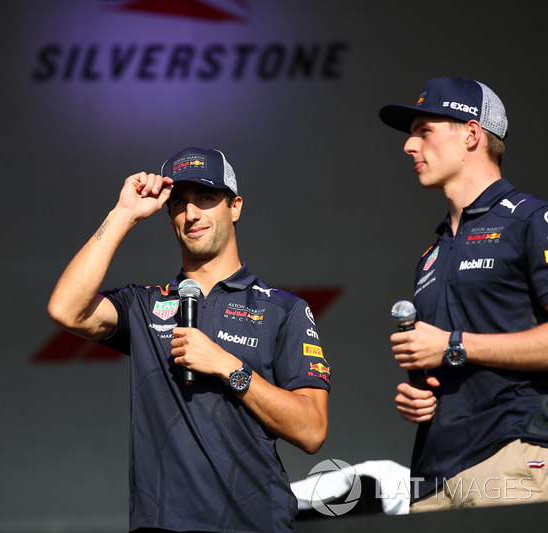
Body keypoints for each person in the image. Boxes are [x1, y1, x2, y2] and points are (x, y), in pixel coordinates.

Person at [47, 147, 330, 532]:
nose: (191, 214)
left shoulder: (284, 309)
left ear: (236, 207)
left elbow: (312, 430)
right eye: (179, 204)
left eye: (206, 198)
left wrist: (228, 367)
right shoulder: (146, 305)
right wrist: (123, 215)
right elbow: (66, 309)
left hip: (255, 524)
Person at [381, 77, 548, 511]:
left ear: (472, 134)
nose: (409, 146)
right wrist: (419, 394)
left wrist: (452, 346)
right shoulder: (431, 253)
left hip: (513, 455)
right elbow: (447, 360)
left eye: (424, 131)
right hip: (432, 479)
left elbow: (453, 348)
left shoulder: (532, 220)